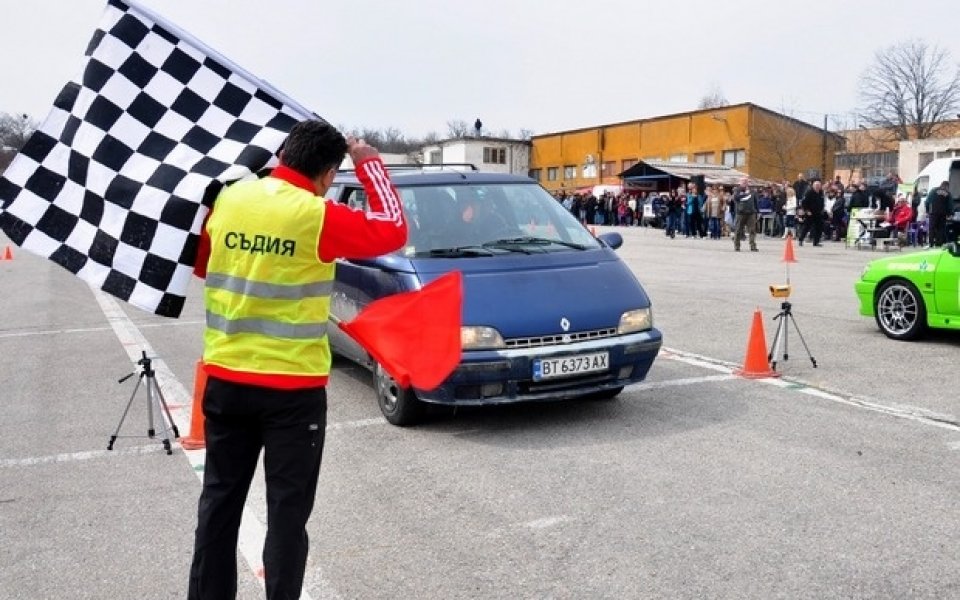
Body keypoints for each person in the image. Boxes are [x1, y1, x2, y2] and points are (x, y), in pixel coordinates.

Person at [188, 120, 408, 600]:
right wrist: (368, 162)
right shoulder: (317, 216)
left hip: (226, 380)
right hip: (292, 392)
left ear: (284, 153)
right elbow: (392, 229)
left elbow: (203, 266)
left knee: (219, 506)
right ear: (329, 174)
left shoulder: (230, 199)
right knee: (287, 517)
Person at [731, 177, 758, 252]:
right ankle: (737, 246)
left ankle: (753, 246)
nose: (745, 183)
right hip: (740, 213)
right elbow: (735, 198)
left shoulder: (752, 191)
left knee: (752, 230)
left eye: (746, 181)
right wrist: (745, 194)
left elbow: (755, 201)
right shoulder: (737, 190)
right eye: (743, 181)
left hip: (751, 213)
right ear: (740, 182)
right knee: (738, 230)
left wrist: (757, 211)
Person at [925, 180, 954, 247]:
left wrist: (927, 211)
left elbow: (927, 202)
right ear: (947, 186)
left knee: (932, 228)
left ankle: (931, 243)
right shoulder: (948, 193)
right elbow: (950, 205)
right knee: (941, 228)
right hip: (942, 214)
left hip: (933, 213)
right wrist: (950, 214)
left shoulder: (933, 191)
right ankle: (939, 243)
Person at [799, 179, 825, 246]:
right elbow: (803, 203)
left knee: (819, 228)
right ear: (813, 186)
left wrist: (822, 209)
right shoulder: (809, 192)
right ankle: (801, 240)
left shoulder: (821, 192)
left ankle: (816, 242)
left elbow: (822, 202)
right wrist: (807, 211)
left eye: (819, 185)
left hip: (818, 213)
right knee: (806, 227)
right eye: (816, 185)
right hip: (810, 213)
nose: (817, 186)